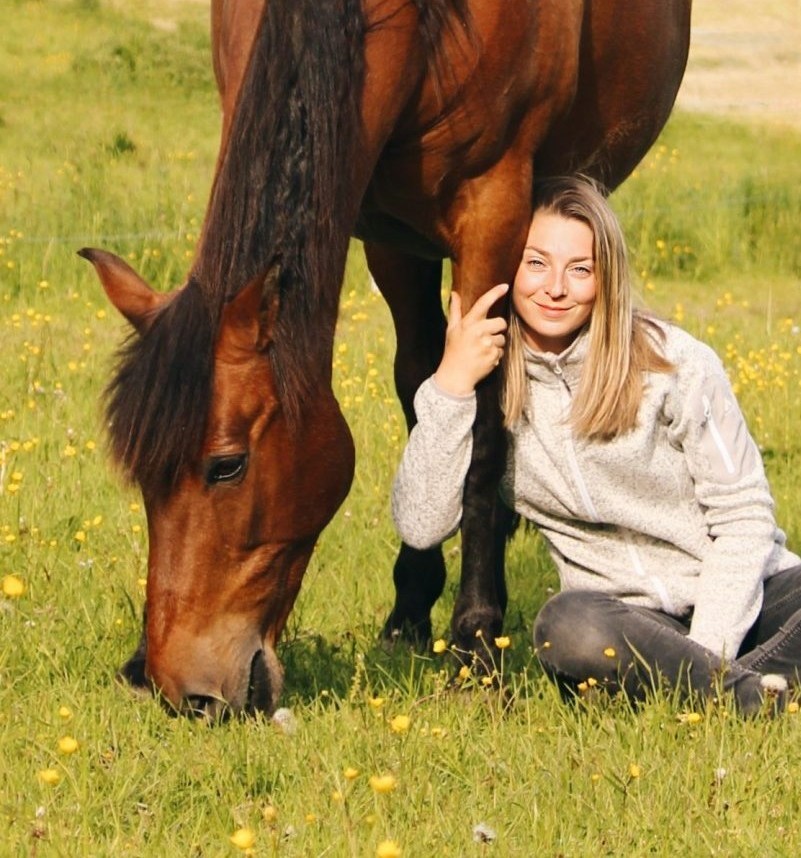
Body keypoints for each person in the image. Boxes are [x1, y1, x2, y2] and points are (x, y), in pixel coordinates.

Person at [392, 175, 801, 715]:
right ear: (508, 267)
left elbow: (745, 518)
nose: (555, 287)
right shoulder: (487, 386)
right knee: (565, 628)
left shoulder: (674, 362)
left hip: (744, 598)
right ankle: (764, 692)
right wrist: (449, 384)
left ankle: (731, 696)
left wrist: (707, 655)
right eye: (536, 263)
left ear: (604, 278)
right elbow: (420, 525)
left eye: (579, 269)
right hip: (622, 620)